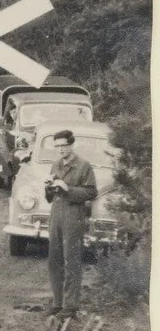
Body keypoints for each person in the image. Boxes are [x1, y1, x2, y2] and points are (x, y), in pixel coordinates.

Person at [45, 129, 97, 317]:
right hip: (56, 215)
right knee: (54, 260)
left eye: (64, 146)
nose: (60, 149)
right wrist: (49, 187)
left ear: (71, 145)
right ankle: (58, 303)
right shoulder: (56, 165)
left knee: (71, 260)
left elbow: (91, 192)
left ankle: (71, 306)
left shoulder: (84, 166)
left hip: (73, 216)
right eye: (57, 146)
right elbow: (50, 197)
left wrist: (68, 189)